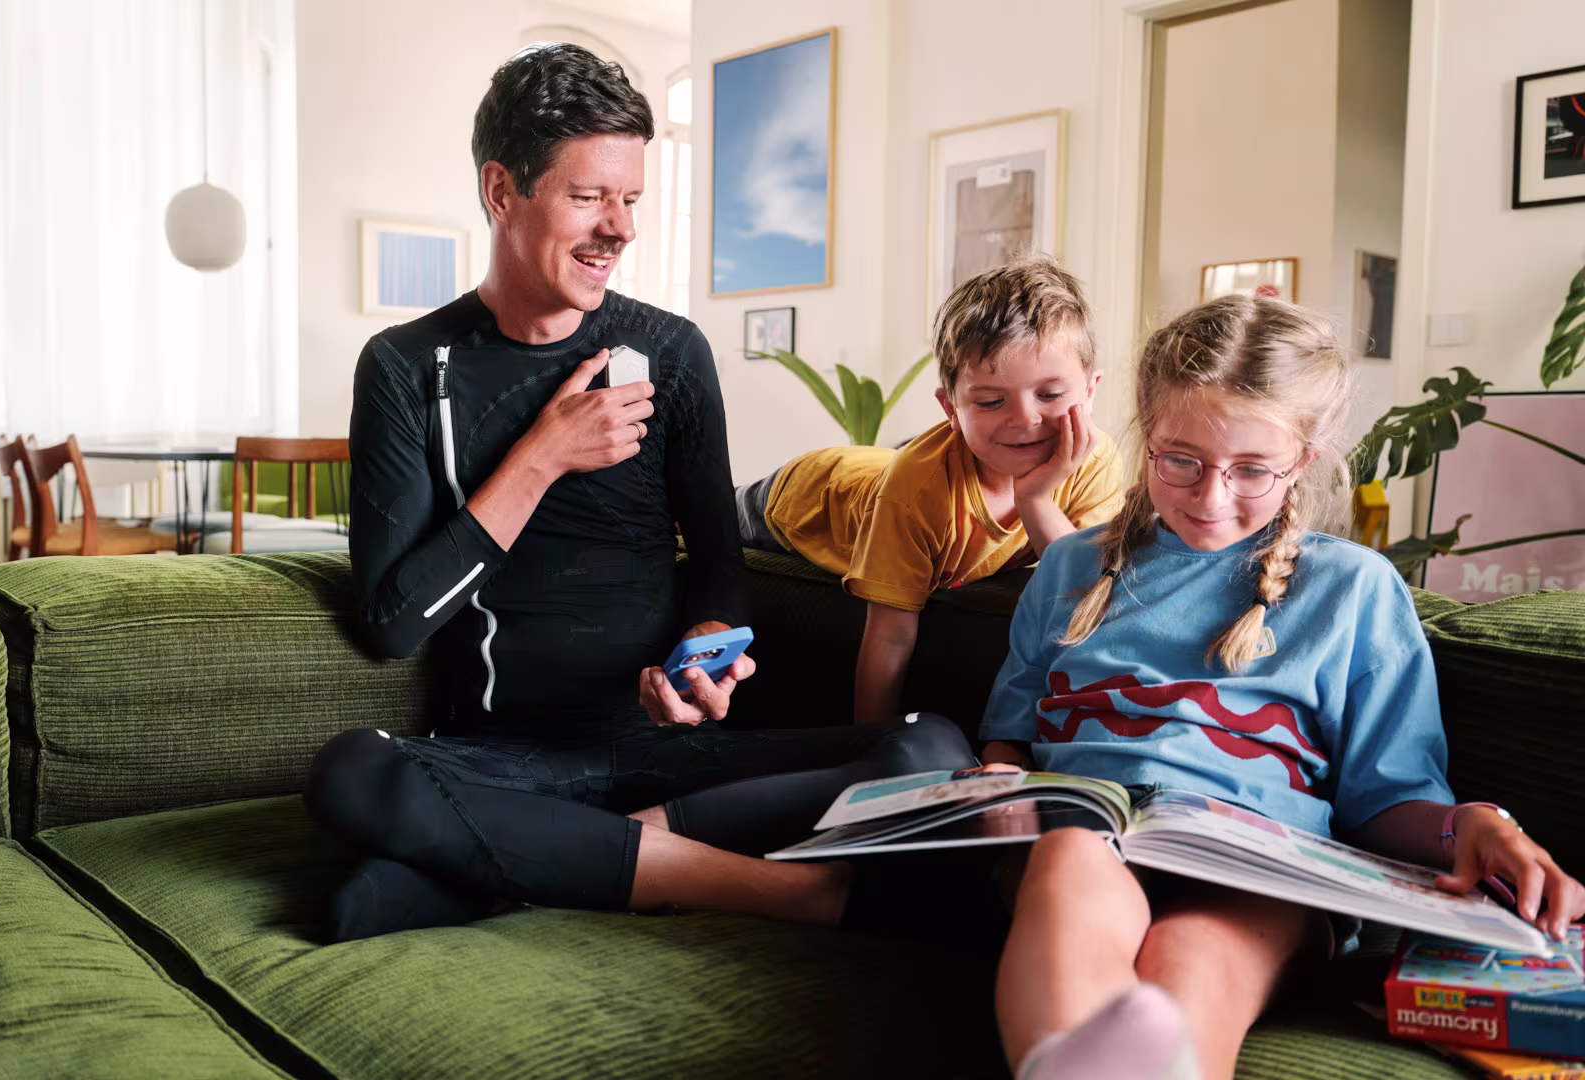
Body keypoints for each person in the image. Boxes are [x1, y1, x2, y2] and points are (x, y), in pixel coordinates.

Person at [303, 43, 974, 944]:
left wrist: (706, 655)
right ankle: (760, 886)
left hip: (673, 754)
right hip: (504, 759)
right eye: (589, 197)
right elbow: (391, 623)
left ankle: (582, 855)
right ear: (503, 192)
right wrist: (540, 457)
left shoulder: (674, 352)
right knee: (353, 773)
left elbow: (719, 571)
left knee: (934, 747)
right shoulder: (407, 367)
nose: (620, 229)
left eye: (631, 200)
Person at [966, 295, 1585, 1080]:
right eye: (1179, 460)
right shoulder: (1068, 566)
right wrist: (999, 778)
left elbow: (1386, 796)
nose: (1211, 497)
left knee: (1193, 951)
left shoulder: (1353, 588)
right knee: (1069, 861)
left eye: (1252, 470)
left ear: (1305, 460)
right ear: (1144, 434)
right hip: (1087, 837)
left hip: (1257, 872)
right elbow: (1010, 733)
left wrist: (1476, 824)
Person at [734, 257, 1124, 726]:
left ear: (1091, 389)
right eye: (991, 401)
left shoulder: (1094, 458)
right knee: (699, 514)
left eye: (1050, 394)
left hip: (879, 472)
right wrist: (873, 746)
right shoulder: (918, 493)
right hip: (807, 494)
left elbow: (1085, 588)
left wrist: (1034, 499)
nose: (1025, 420)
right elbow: (890, 637)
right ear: (951, 408)